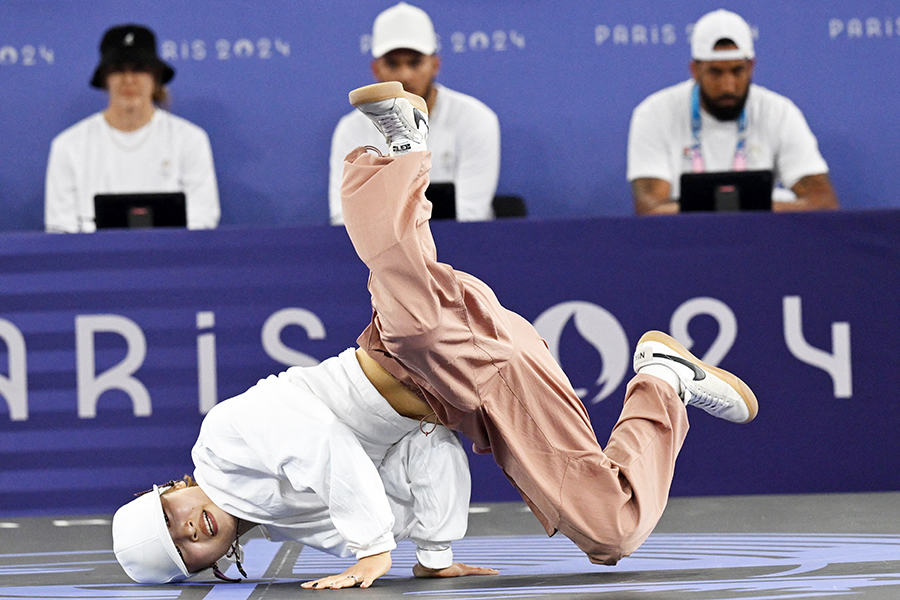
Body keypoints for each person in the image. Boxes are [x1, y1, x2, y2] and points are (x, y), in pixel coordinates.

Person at [340, 81, 758, 573]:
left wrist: (377, 555)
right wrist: (434, 556)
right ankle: (663, 379)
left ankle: (406, 150)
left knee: (415, 323)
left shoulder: (241, 449)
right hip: (454, 382)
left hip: (471, 362)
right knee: (611, 531)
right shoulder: (257, 493)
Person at [112, 348, 498, 588]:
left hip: (417, 346)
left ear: (173, 488)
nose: (188, 531)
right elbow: (427, 445)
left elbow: (325, 442)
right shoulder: (289, 524)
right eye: (181, 551)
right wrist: (433, 556)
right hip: (462, 398)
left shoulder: (220, 437)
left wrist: (374, 549)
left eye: (167, 518)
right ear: (209, 565)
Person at [627, 9, 839, 215]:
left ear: (751, 67)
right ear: (695, 70)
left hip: (760, 240)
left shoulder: (779, 112)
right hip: (686, 242)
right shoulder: (654, 114)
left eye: (737, 71)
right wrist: (751, 206)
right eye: (715, 72)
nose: (728, 86)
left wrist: (737, 208)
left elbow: (822, 201)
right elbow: (651, 209)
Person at [328, 2, 500, 225]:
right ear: (376, 69)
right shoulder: (351, 129)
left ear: (435, 65)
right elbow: (343, 217)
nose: (404, 75)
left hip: (459, 252)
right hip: (378, 257)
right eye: (392, 64)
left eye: (415, 63)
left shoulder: (476, 119)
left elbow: (470, 216)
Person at [45, 24, 220, 233]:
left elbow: (202, 218)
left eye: (139, 68)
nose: (129, 80)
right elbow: (60, 227)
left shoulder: (190, 140)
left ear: (155, 77)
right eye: (118, 70)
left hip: (173, 262)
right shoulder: (69, 146)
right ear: (104, 79)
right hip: (96, 263)